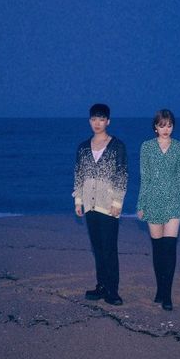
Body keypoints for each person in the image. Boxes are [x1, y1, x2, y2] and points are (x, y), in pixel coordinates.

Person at [73, 103, 128, 306]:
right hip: (89, 205)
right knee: (97, 247)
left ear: (108, 121)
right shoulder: (82, 147)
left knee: (109, 248)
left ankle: (112, 290)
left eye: (101, 119)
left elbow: (122, 175)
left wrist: (117, 202)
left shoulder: (117, 146)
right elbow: (79, 174)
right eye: (94, 119)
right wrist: (78, 200)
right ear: (90, 121)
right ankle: (101, 286)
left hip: (108, 205)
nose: (97, 123)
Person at [137, 109, 180, 311]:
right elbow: (145, 177)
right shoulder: (146, 147)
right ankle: (160, 288)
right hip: (153, 201)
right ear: (155, 127)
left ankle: (167, 294)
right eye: (162, 125)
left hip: (174, 201)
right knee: (158, 250)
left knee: (170, 248)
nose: (165, 129)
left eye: (169, 125)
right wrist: (141, 205)